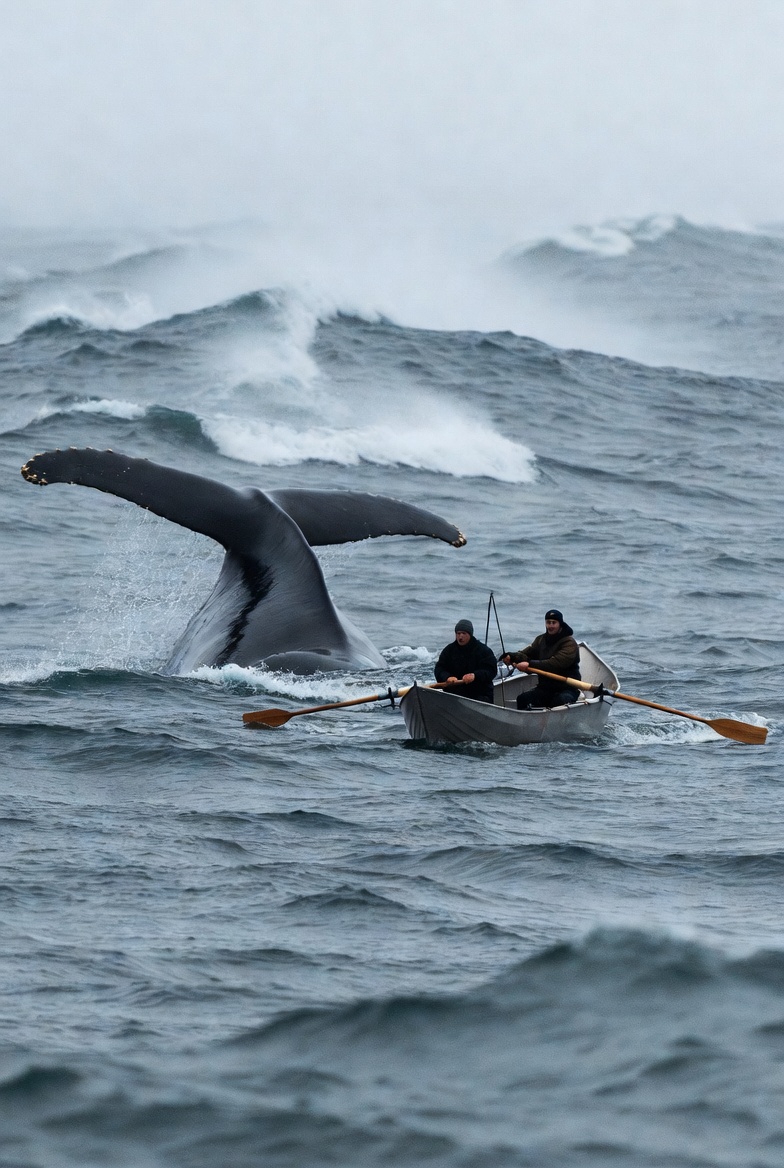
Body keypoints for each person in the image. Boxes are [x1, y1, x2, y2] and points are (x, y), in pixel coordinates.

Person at [502, 609, 581, 709]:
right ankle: (525, 723)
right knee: (523, 699)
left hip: (567, 688)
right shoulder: (540, 640)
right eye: (548, 622)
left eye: (554, 623)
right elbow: (526, 654)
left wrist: (529, 664)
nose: (551, 626)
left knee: (559, 701)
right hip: (545, 688)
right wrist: (512, 657)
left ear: (560, 624)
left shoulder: (569, 643)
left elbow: (555, 664)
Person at [434, 619, 498, 702]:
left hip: (480, 693)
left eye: (464, 633)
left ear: (470, 634)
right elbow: (439, 668)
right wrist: (447, 677)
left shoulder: (484, 650)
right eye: (458, 633)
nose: (460, 636)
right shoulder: (449, 650)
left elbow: (491, 670)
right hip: (455, 694)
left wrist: (475, 675)